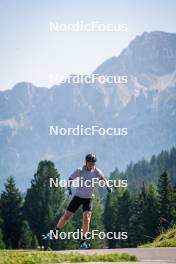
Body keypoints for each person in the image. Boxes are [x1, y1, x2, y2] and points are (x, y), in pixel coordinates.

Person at [42, 153, 112, 249]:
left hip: (88, 199)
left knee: (86, 219)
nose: (92, 165)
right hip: (78, 197)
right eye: (91, 163)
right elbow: (70, 179)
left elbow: (103, 178)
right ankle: (54, 233)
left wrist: (107, 186)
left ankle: (83, 242)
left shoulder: (96, 171)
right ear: (86, 162)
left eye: (94, 163)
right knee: (66, 216)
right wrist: (68, 188)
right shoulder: (80, 170)